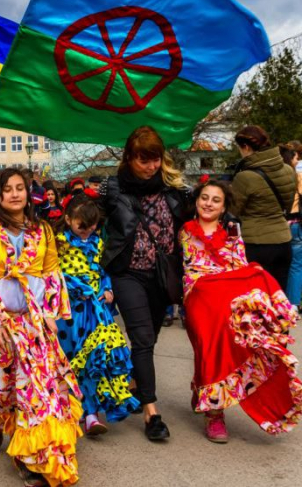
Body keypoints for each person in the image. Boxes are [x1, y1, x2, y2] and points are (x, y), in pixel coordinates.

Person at [0, 168, 82, 487]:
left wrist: (49, 313)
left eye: (20, 188)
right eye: (8, 189)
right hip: (0, 325)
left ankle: (28, 457)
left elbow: (51, 271)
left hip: (34, 324)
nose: (15, 194)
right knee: (3, 387)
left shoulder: (42, 230)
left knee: (34, 391)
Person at [180, 179, 302, 442]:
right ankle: (212, 407)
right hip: (199, 293)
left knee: (228, 340)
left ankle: (213, 408)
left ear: (224, 207)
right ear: (197, 199)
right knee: (208, 344)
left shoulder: (233, 231)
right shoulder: (184, 231)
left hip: (225, 294)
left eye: (216, 200)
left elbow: (239, 267)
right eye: (204, 198)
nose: (208, 204)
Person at [100, 126, 190, 441]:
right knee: (141, 337)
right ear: (129, 157)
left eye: (155, 159)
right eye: (143, 159)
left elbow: (196, 221)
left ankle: (136, 383)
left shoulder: (175, 189)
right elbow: (81, 218)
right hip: (127, 273)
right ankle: (152, 413)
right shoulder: (110, 187)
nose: (150, 165)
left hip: (162, 276)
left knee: (149, 337)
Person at [56, 194, 140, 435]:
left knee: (95, 358)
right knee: (70, 360)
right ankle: (69, 410)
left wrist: (107, 289)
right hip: (69, 314)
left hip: (97, 311)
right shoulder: (59, 243)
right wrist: (70, 286)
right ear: (68, 219)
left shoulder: (98, 243)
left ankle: (91, 414)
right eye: (82, 225)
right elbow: (52, 274)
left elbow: (103, 272)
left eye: (92, 226)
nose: (87, 231)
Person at [231, 125, 297, 289]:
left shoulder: (245, 177)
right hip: (284, 241)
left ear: (246, 147)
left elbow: (233, 211)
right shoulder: (289, 170)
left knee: (258, 299)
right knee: (278, 296)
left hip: (256, 244)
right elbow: (287, 205)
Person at [279, 142, 302, 309]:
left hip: (281, 222)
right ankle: (293, 302)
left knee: (286, 264)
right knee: (296, 265)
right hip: (296, 222)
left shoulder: (278, 177)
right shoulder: (297, 176)